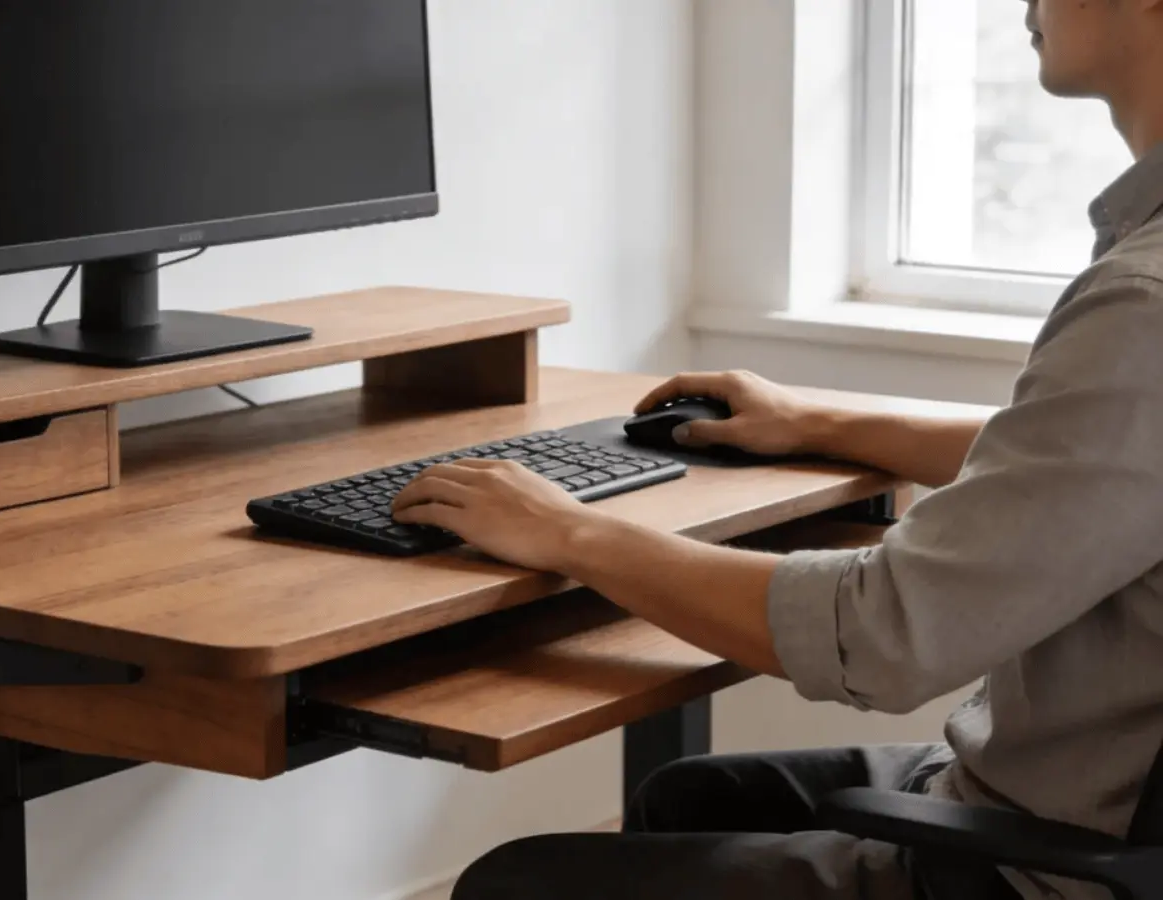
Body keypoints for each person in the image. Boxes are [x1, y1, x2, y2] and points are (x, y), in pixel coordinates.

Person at [391, 1, 1163, 898]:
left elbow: (880, 633)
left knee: (517, 881)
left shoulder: (1143, 309)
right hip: (1067, 795)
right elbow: (1081, 478)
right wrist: (818, 422)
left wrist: (569, 533)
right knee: (690, 797)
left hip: (1047, 861)